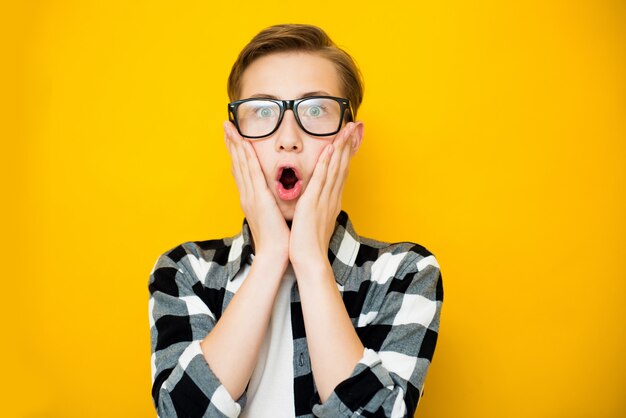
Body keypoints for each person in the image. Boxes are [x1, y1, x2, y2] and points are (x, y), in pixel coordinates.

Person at [148, 24, 443, 418]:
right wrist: (270, 256)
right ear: (235, 139)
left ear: (351, 140)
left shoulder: (405, 274)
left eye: (316, 109)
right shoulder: (186, 272)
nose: (289, 138)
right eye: (263, 111)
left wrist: (310, 259)